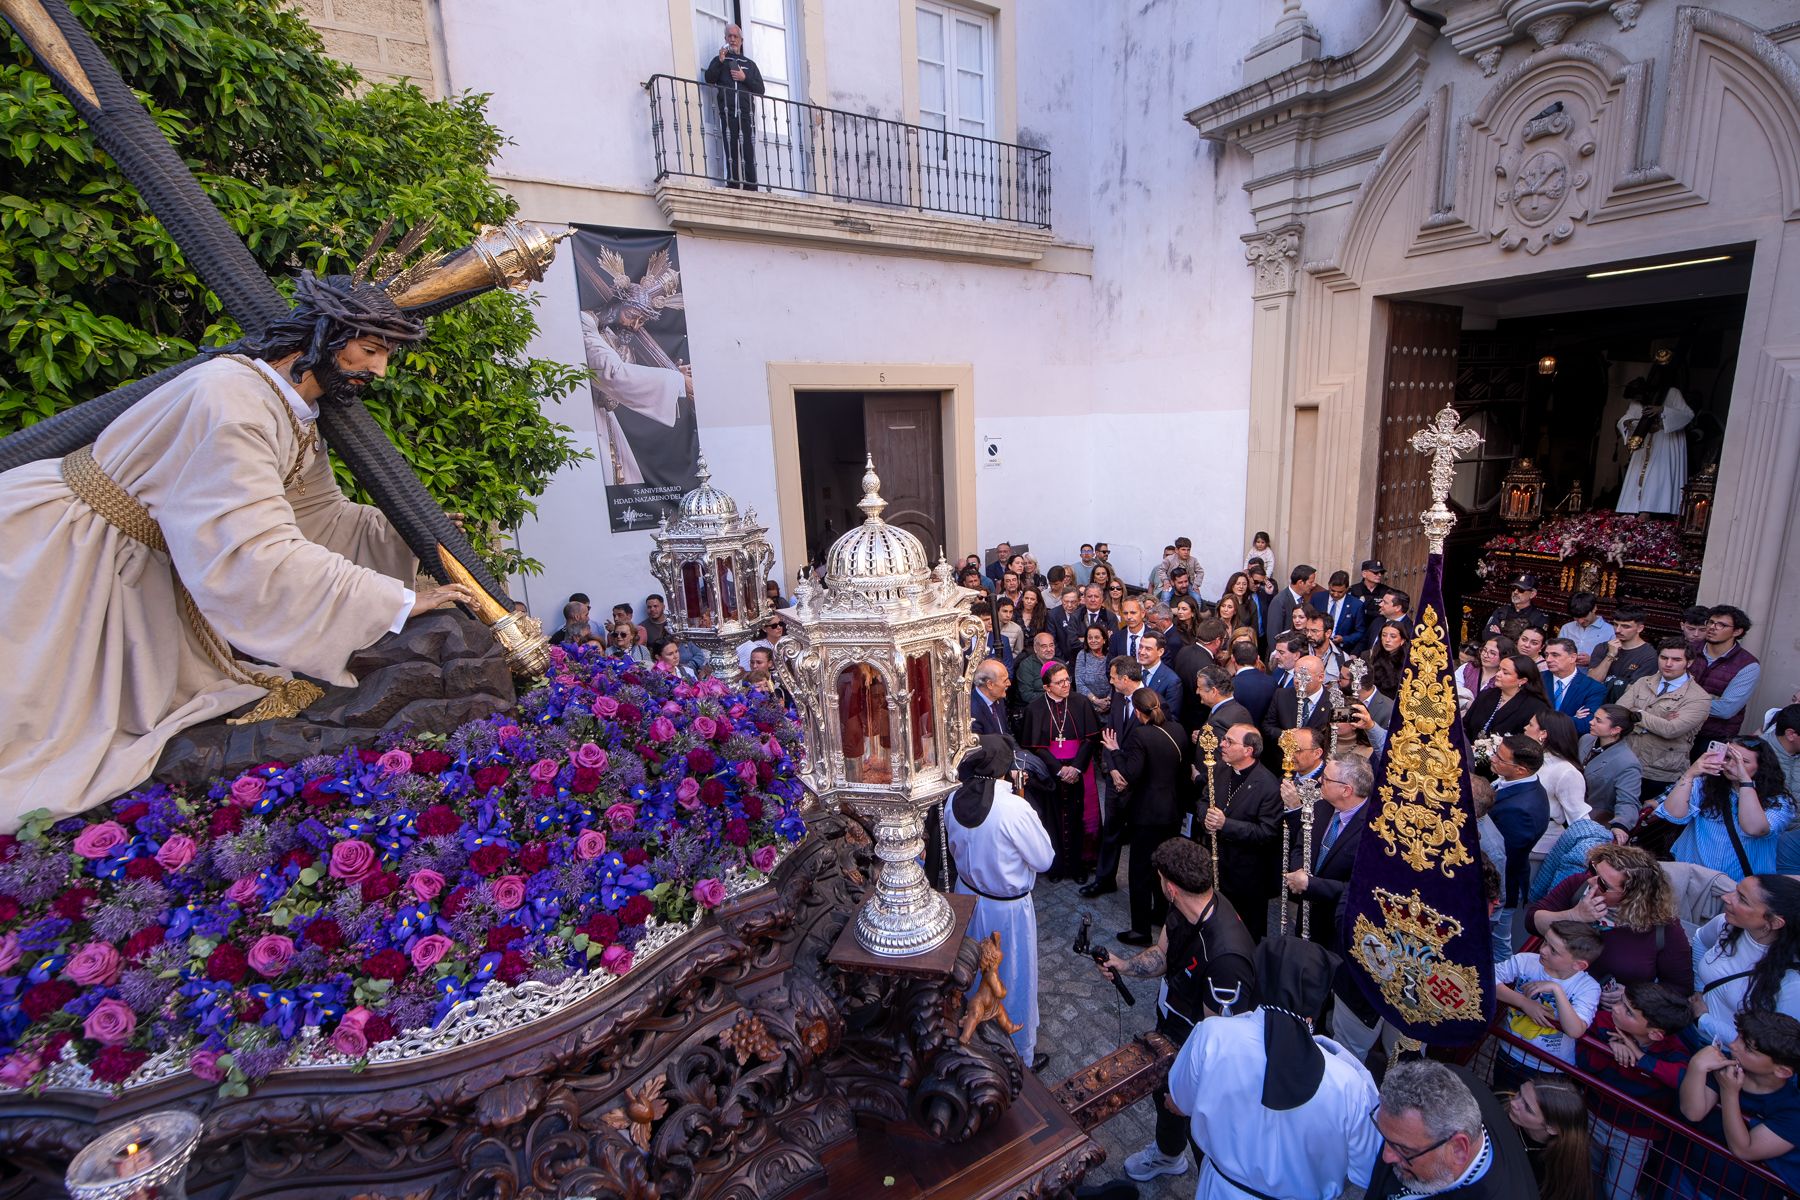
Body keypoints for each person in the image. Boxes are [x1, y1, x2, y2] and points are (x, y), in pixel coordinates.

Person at [0, 271, 466, 830]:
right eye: (368, 351)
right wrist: (392, 601)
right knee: (41, 721)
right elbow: (253, 551)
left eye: (385, 354)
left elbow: (319, 518)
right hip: (68, 554)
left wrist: (411, 532)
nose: (379, 370)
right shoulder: (231, 400)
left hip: (132, 562)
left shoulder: (288, 410)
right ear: (321, 337)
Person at [1166, 935, 1382, 1199]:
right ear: (1317, 1000)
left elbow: (1180, 1102)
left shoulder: (1212, 1035)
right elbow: (1367, 1169)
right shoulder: (1348, 1083)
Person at [1097, 838, 1259, 1185]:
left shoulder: (1226, 958)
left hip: (1196, 1048)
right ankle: (1168, 1156)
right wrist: (1122, 965)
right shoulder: (1184, 907)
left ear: (1169, 887)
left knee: (1200, 1128)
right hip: (1172, 1027)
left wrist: (1189, 1094)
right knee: (1163, 1094)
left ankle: (1216, 1184)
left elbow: (1220, 1048)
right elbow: (1162, 954)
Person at [943, 734, 1055, 1071]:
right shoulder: (1014, 808)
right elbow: (1044, 859)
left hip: (968, 898)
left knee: (971, 973)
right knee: (1012, 975)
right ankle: (1018, 1053)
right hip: (1006, 909)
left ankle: (973, 1042)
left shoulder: (953, 799)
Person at [577, 253, 699, 489]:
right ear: (616, 305)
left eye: (641, 321)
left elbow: (631, 376)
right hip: (587, 419)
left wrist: (674, 373)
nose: (634, 325)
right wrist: (676, 381)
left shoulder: (613, 338)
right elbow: (614, 374)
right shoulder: (586, 325)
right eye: (631, 315)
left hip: (608, 421)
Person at [1527, 843, 1693, 990]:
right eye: (1593, 870)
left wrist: (1632, 997)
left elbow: (1679, 988)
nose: (1591, 881)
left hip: (1605, 1015)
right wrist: (1573, 915)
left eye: (1603, 884)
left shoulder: (1663, 927)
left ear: (1633, 896)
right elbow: (1532, 921)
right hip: (1544, 988)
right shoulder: (1578, 885)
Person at [1364, 1059, 1535, 1199]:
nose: (1386, 1157)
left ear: (1459, 1149)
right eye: (1385, 1136)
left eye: (1403, 1149)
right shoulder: (1451, 1079)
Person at [1675, 1010, 1800, 1197]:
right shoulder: (1725, 1065)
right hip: (1690, 1174)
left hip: (1740, 1192)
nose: (1734, 1045)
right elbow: (1693, 1112)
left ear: (1782, 1071)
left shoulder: (1792, 1111)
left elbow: (1744, 1149)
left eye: (1748, 1047)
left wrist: (1729, 1093)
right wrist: (1697, 1066)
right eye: (1739, 1037)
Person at [1102, 688, 1188, 943]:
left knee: (1139, 871)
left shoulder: (1141, 735)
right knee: (1164, 867)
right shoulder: (1178, 730)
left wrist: (1115, 750)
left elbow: (1131, 773)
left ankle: (1140, 929)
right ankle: (1160, 913)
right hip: (1172, 811)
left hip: (1147, 814)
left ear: (1139, 712)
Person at [1656, 738, 1794, 881]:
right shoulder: (1704, 785)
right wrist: (1690, 773)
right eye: (1727, 757)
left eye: (1743, 761)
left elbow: (1754, 829)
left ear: (1761, 767)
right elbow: (1673, 815)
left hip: (1741, 886)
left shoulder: (1779, 801)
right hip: (1692, 878)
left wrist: (1744, 782)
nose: (1731, 764)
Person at [1691, 874, 1800, 1045]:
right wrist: (1699, 988)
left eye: (1741, 899)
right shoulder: (1726, 926)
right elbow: (1700, 940)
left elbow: (1771, 1043)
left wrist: (1704, 1020)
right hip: (1692, 1031)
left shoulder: (1794, 981)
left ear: (1774, 922)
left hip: (1731, 1060)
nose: (1726, 897)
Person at [1283, 755, 1373, 953]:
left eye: (1326, 778)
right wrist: (1298, 872)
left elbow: (1360, 889)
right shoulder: (1321, 806)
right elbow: (1300, 844)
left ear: (1346, 790)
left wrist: (1311, 884)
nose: (1319, 781)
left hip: (1337, 926)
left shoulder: (1371, 829)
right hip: (1306, 913)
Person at [1200, 723, 1283, 940]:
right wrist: (1206, 818)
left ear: (1248, 750)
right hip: (1216, 864)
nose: (1222, 744)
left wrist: (1225, 824)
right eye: (1224, 739)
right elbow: (1203, 801)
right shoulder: (1219, 769)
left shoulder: (1267, 785)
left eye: (1229, 741)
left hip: (1247, 876)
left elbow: (1267, 832)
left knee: (1244, 933)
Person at [1023, 661, 1099, 880]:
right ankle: (1055, 867)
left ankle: (1078, 866)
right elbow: (1035, 746)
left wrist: (1075, 767)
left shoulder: (1081, 702)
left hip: (1079, 768)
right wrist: (1059, 769)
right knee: (1052, 819)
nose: (1066, 685)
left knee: (1079, 818)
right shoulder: (1035, 708)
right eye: (1060, 682)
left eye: (1068, 679)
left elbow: (1090, 738)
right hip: (1050, 772)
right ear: (1047, 687)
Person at [1494, 919, 1603, 1068]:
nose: (1542, 950)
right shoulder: (1525, 961)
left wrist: (1556, 989)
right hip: (1509, 1050)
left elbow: (1575, 1030)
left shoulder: (1589, 988)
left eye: (1553, 951)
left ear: (1578, 965)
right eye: (1545, 941)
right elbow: (1488, 978)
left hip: (1549, 1067)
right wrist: (1523, 1002)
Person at [1081, 656, 1143, 901]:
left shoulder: (1150, 701)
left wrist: (1126, 775)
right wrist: (1113, 770)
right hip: (1115, 777)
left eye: (1114, 677)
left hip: (1137, 782)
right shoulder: (1118, 697)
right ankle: (1104, 880)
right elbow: (1109, 735)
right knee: (1111, 831)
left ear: (1125, 679)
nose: (1110, 681)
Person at [1619, 639, 1715, 791]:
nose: (1668, 664)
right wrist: (1659, 721)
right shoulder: (1643, 682)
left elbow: (1671, 730)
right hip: (1626, 760)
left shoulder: (1699, 697)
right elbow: (1619, 712)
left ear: (1689, 663)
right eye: (1664, 658)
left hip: (1660, 772)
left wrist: (1638, 713)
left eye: (1676, 659)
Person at [1489, 735, 1551, 956]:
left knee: (1498, 943)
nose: (1492, 757)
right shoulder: (1516, 785)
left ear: (1521, 770)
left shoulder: (1522, 810)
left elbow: (1504, 857)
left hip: (1500, 887)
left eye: (1500, 757)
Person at [1505, 1074, 1595, 1200]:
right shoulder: (1502, 1112)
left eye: (1528, 1108)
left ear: (1552, 1128)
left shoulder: (1560, 1173)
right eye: (1520, 1093)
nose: (1514, 1102)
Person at [1616, 372, 1694, 515]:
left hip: (1665, 443)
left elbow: (1687, 415)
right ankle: (1633, 511)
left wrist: (1662, 410)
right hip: (1644, 442)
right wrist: (1626, 423)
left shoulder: (1672, 393)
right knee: (1637, 475)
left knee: (1657, 476)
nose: (1638, 401)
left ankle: (1651, 511)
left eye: (1640, 398)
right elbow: (1627, 417)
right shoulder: (1637, 400)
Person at [703, 23, 765, 189]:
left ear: (741, 40)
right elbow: (709, 78)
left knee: (748, 149)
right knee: (730, 147)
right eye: (729, 36)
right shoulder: (719, 61)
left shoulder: (749, 64)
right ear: (725, 39)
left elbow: (760, 89)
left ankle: (751, 186)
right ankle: (733, 184)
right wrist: (720, 61)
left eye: (735, 36)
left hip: (746, 113)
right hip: (728, 112)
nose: (732, 39)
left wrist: (745, 78)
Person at [1693, 604, 1763, 745]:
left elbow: (1726, 709)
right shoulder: (1688, 650)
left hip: (1713, 736)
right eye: (1711, 622)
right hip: (1677, 726)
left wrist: (1681, 699)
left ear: (1737, 631)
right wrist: (1710, 699)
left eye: (1721, 625)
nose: (1712, 627)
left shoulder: (1748, 665)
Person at [1526, 710, 1590, 853]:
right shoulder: (1532, 760)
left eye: (1530, 725)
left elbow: (1579, 817)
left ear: (1543, 734)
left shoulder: (1567, 772)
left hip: (1538, 848)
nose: (1525, 728)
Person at [1580, 704, 1644, 831]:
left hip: (1590, 822)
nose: (1591, 722)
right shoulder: (1586, 739)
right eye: (1594, 717)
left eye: (1598, 720)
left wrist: (1621, 825)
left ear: (1615, 730)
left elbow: (1628, 801)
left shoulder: (1627, 762)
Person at [1463, 653, 1550, 741]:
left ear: (1522, 680)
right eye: (1499, 669)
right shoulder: (1486, 695)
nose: (1498, 674)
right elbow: (1465, 725)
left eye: (1505, 672)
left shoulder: (1535, 707)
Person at [1586, 605, 1658, 701]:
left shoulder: (1649, 655)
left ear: (1640, 628)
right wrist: (1610, 656)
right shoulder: (1602, 647)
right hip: (1592, 702)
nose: (1618, 630)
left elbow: (1632, 692)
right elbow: (1592, 681)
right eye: (1615, 624)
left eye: (1625, 626)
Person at [1543, 636, 1607, 735]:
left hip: (1566, 743)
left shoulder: (1593, 688)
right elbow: (1526, 712)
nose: (1548, 659)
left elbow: (1586, 724)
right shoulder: (1537, 679)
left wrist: (1546, 722)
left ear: (1572, 657)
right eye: (1546, 655)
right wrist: (1572, 719)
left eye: (1555, 655)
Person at [1311, 569, 1365, 657]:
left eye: (1340, 592)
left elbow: (1360, 632)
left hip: (1341, 650)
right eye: (1332, 590)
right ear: (1329, 586)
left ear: (1347, 589)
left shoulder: (1356, 605)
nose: (1335, 594)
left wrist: (1344, 639)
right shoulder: (1317, 598)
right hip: (1316, 648)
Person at [1265, 563, 1316, 656]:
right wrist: (1279, 656)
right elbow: (1273, 634)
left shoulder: (1303, 598)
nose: (1313, 585)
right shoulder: (1280, 601)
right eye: (1311, 582)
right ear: (1301, 582)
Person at [1484, 573, 1551, 641]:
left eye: (1521, 590)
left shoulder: (1539, 617)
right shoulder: (1501, 611)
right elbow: (1487, 635)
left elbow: (1531, 644)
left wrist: (1500, 636)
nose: (1515, 592)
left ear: (1532, 594)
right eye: (1513, 588)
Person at [1135, 631, 1183, 719]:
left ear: (1160, 652)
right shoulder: (1133, 670)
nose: (1141, 652)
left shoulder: (1172, 681)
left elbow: (1171, 717)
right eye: (1141, 647)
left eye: (1148, 649)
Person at [1558, 591, 1615, 666]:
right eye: (1577, 618)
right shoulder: (1567, 628)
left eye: (1584, 616)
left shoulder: (1610, 631)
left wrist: (1592, 660)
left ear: (1594, 608)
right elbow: (1558, 651)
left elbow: (1615, 659)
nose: (1581, 621)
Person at [1346, 559, 1390, 652]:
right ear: (1364, 574)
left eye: (1381, 572)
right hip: (1355, 633)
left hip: (1376, 633)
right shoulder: (1353, 590)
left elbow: (1387, 613)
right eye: (1375, 572)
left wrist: (1366, 612)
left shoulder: (1387, 591)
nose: (1379, 575)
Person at [1363, 619, 1412, 699]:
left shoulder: (1408, 662)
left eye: (1393, 636)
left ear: (1402, 641)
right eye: (1384, 635)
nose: (1387, 640)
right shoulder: (1368, 656)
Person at [1073, 623, 1113, 709]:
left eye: (1097, 637)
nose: (1093, 640)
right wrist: (1096, 701)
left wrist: (1107, 701)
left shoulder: (1111, 655)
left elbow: (1115, 681)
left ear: (1104, 639)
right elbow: (1079, 684)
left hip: (1109, 705)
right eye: (1090, 638)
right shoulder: (1082, 655)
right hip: (1087, 705)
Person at [969, 657, 1011, 738]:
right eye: (1005, 681)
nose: (1009, 683)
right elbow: (980, 746)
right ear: (990, 684)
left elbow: (1007, 735)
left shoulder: (999, 699)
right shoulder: (972, 711)